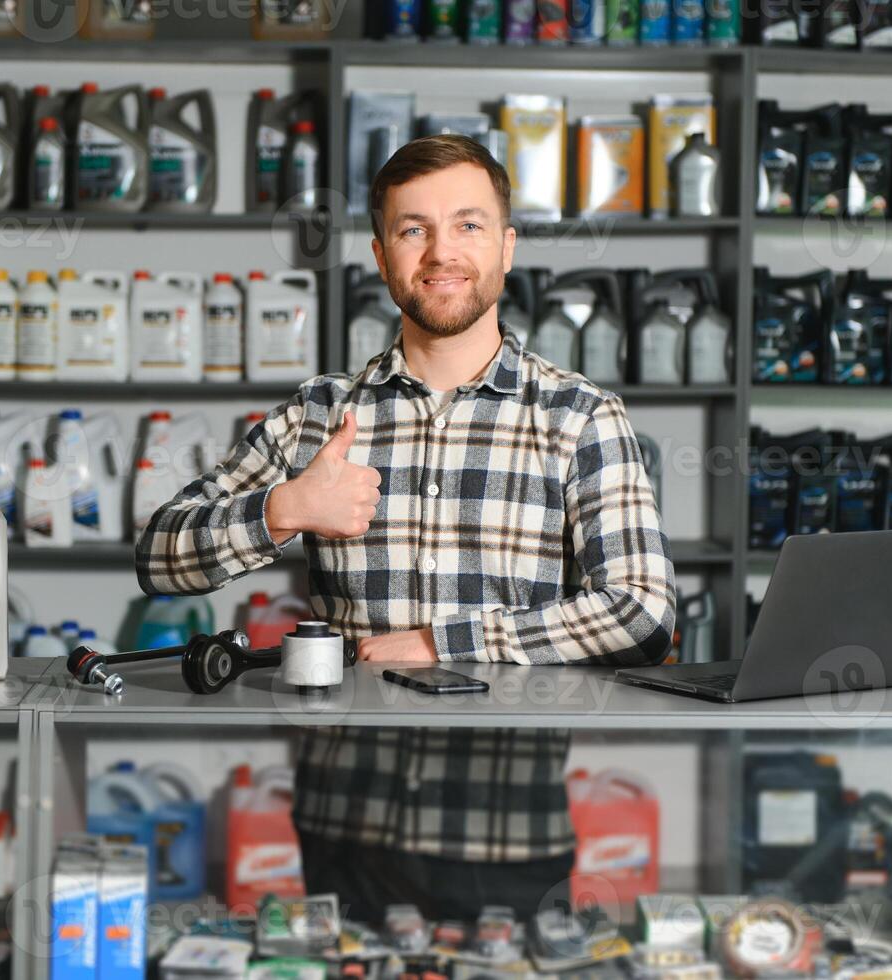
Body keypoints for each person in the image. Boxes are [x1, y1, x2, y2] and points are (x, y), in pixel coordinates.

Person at [135, 134, 675, 924]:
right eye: (413, 229)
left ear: (506, 246)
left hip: (506, 841)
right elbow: (157, 556)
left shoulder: (579, 418)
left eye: (467, 225)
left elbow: (643, 613)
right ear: (383, 255)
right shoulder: (319, 415)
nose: (440, 252)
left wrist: (439, 644)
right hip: (343, 832)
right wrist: (283, 509)